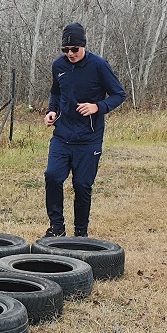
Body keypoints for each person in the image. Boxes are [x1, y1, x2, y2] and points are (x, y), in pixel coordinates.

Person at [42, 23, 127, 238]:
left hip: (89, 139)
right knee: (52, 176)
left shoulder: (99, 65)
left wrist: (97, 107)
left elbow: (119, 94)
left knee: (82, 185)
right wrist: (52, 111)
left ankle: (81, 233)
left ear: (83, 46)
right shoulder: (58, 66)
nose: (70, 54)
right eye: (65, 50)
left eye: (74, 49)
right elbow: (56, 92)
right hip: (62, 135)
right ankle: (57, 229)